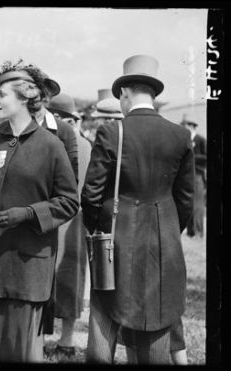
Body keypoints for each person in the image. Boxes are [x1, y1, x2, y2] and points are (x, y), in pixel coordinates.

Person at [0, 60, 79, 362]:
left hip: (25, 269)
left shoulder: (52, 146)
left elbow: (69, 201)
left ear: (24, 97)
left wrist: (27, 213)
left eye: (1, 95)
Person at [81, 55, 194, 364]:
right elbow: (186, 199)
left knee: (105, 312)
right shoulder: (181, 136)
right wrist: (168, 230)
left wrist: (96, 229)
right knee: (156, 315)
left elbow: (91, 194)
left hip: (116, 238)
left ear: (125, 93)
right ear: (153, 94)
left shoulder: (112, 133)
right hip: (164, 243)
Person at [47, 93, 92, 358]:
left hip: (55, 217)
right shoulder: (86, 145)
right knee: (72, 278)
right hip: (77, 219)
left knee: (47, 276)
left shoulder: (53, 141)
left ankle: (40, 335)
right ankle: (66, 339)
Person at [181, 113, 206, 238]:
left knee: (197, 204)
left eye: (185, 125)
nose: (184, 127)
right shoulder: (185, 140)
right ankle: (191, 231)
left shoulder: (201, 139)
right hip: (187, 176)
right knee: (189, 203)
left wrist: (192, 157)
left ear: (192, 126)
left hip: (198, 176)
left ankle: (198, 231)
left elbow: (207, 157)